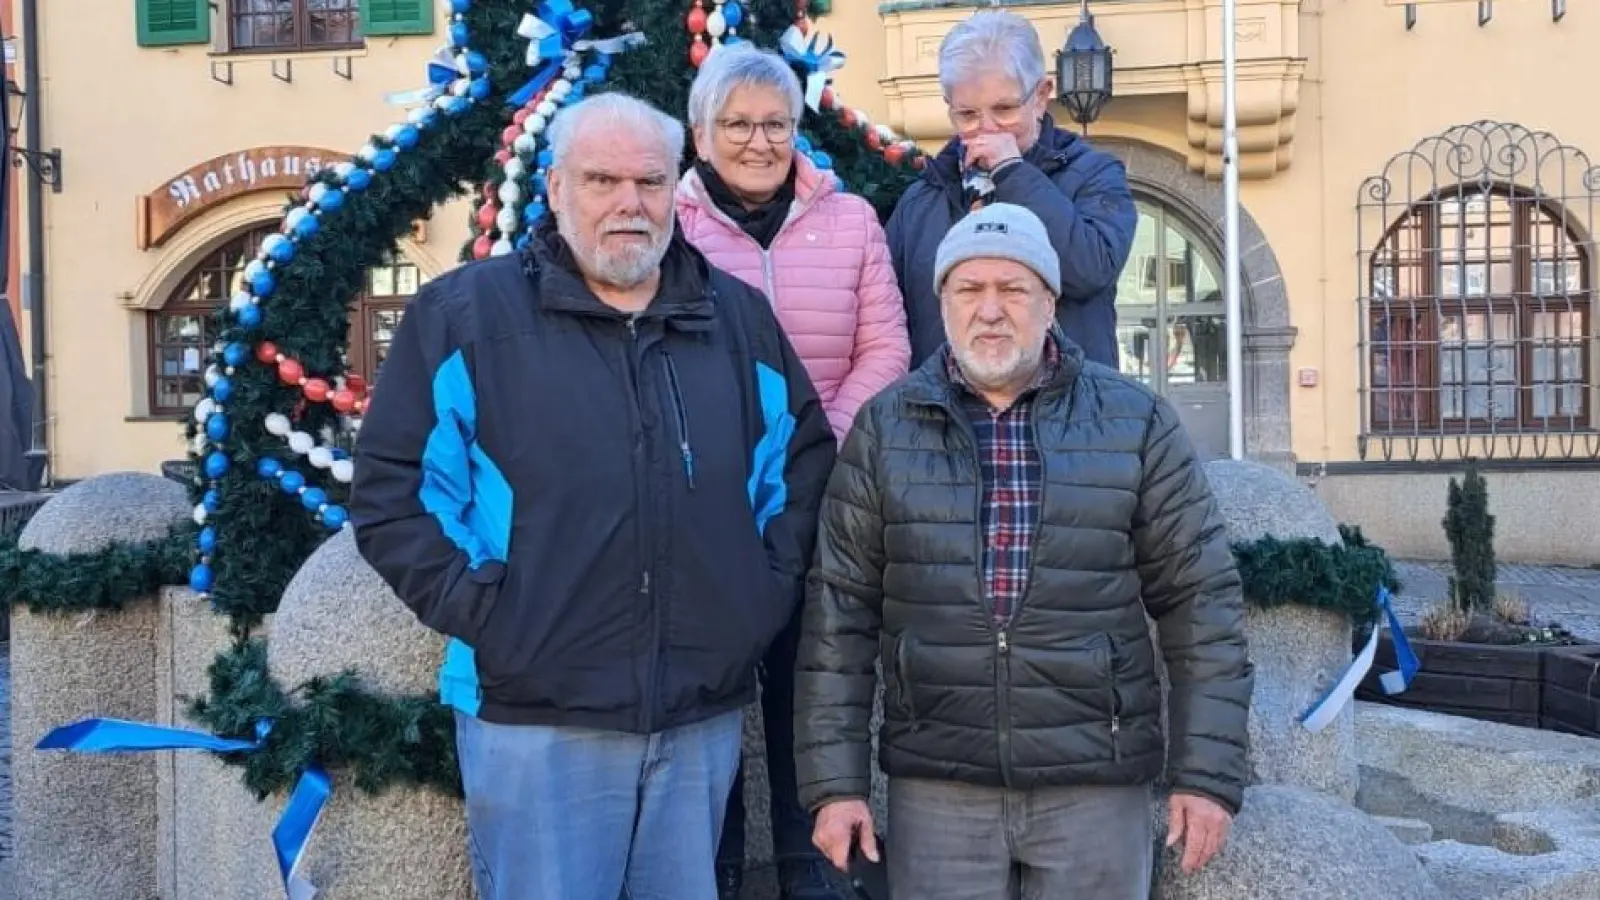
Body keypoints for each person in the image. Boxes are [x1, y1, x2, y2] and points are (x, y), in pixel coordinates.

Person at [349, 91, 836, 900]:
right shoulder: (466, 317)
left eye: (649, 182)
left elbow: (800, 470)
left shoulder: (737, 320)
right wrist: (497, 615)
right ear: (555, 188)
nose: (627, 204)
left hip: (696, 714)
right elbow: (395, 493)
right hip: (535, 713)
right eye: (601, 179)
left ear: (675, 190)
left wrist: (754, 600)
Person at [793, 203, 1253, 899]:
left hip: (1093, 779)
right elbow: (839, 613)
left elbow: (1202, 603)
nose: (990, 310)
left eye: (1013, 289)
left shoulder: (1136, 421)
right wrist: (835, 785)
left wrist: (1206, 774)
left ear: (1051, 301)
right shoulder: (886, 427)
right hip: (939, 782)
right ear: (941, 301)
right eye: (968, 290)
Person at [675, 44, 910, 900]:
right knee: (713, 691)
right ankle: (720, 869)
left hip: (829, 497)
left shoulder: (850, 222)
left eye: (774, 123)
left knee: (811, 688)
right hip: (716, 506)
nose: (758, 140)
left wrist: (821, 445)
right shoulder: (671, 227)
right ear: (702, 135)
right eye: (736, 124)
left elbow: (886, 346)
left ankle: (817, 867)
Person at [887, 9, 1137, 370]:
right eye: (968, 115)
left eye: (1004, 110)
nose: (986, 129)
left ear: (1041, 96)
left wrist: (1011, 172)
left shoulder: (1095, 174)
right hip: (946, 416)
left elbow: (1089, 270)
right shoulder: (923, 197)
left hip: (1065, 416)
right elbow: (890, 320)